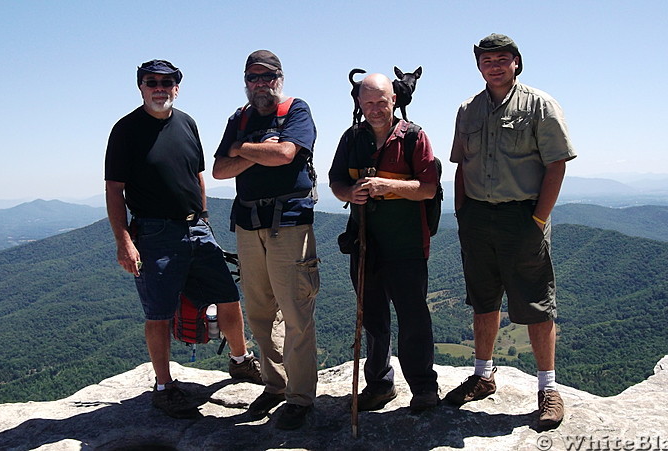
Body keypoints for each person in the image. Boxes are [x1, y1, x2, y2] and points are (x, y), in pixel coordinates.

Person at [105, 59, 261, 419]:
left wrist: (203, 219)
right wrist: (124, 241)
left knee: (227, 295)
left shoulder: (187, 123)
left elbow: (197, 176)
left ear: (177, 86)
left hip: (196, 228)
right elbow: (115, 190)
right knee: (158, 312)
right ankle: (164, 386)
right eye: (151, 82)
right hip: (154, 233)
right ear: (141, 86)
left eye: (167, 82)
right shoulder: (126, 130)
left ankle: (240, 361)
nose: (159, 87)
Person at [447, 34, 576, 429]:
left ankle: (548, 389)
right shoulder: (467, 109)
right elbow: (460, 164)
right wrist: (462, 213)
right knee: (483, 299)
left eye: (503, 59)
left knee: (536, 303)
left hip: (522, 216)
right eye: (487, 60)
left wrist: (538, 220)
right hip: (477, 217)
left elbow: (557, 165)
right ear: (479, 66)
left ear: (516, 62)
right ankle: (483, 376)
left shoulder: (539, 105)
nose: (495, 66)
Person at [212, 50, 319, 430]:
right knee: (259, 312)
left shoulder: (296, 111)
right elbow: (219, 169)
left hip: (288, 224)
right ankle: (275, 385)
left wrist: (241, 149)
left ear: (280, 78)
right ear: (246, 81)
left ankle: (301, 397)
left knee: (296, 313)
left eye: (267, 76)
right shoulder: (238, 119)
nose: (260, 83)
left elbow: (288, 152)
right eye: (253, 77)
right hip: (248, 224)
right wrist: (258, 151)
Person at [329, 73, 440, 412]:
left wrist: (384, 187)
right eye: (368, 103)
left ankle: (423, 388)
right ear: (359, 103)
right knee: (372, 318)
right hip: (365, 245)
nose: (375, 109)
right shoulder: (352, 138)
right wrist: (351, 193)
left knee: (413, 318)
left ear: (395, 100)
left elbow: (428, 188)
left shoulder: (414, 137)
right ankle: (379, 385)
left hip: (406, 247)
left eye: (382, 102)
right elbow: (335, 181)